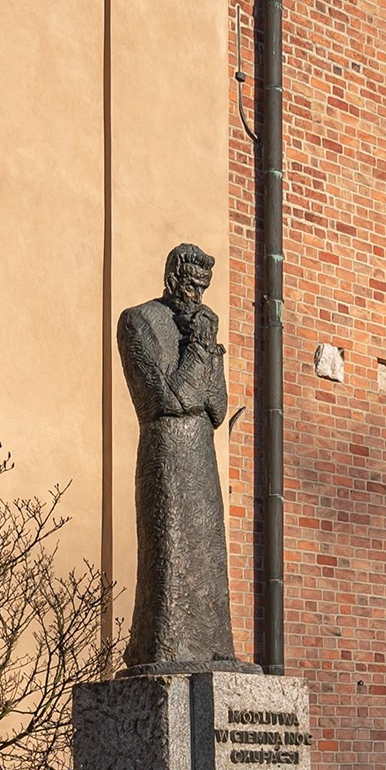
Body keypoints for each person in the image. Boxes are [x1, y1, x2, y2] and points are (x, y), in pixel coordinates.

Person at [116, 243, 240, 669]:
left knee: (208, 554)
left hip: (201, 458)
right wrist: (200, 347)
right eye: (190, 284)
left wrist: (206, 346)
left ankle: (214, 649)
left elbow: (218, 407)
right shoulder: (138, 322)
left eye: (203, 287)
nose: (196, 295)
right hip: (166, 455)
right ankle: (164, 649)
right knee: (168, 557)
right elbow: (168, 397)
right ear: (172, 277)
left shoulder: (200, 326)